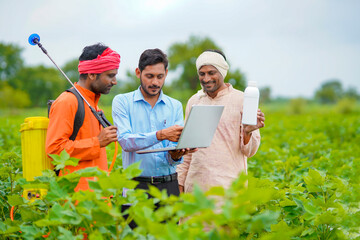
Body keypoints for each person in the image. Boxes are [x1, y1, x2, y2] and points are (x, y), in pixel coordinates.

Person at [177, 49, 265, 194]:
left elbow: (249, 152)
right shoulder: (194, 101)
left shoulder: (242, 100)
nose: (206, 78)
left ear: (222, 72)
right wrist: (180, 184)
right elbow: (186, 151)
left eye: (212, 73)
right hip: (195, 188)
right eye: (202, 73)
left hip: (229, 187)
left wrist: (248, 132)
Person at [112, 48, 193, 197]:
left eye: (160, 76)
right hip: (135, 186)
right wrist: (160, 135)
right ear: (138, 72)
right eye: (149, 76)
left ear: (166, 74)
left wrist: (177, 154)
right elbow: (125, 141)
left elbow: (172, 155)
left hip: (169, 186)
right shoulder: (122, 102)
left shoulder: (174, 105)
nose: (155, 82)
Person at [46, 43, 120, 191]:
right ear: (92, 75)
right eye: (110, 75)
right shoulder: (67, 102)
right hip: (76, 201)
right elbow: (54, 149)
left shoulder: (94, 104)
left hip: (97, 196)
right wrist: (96, 142)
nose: (114, 81)